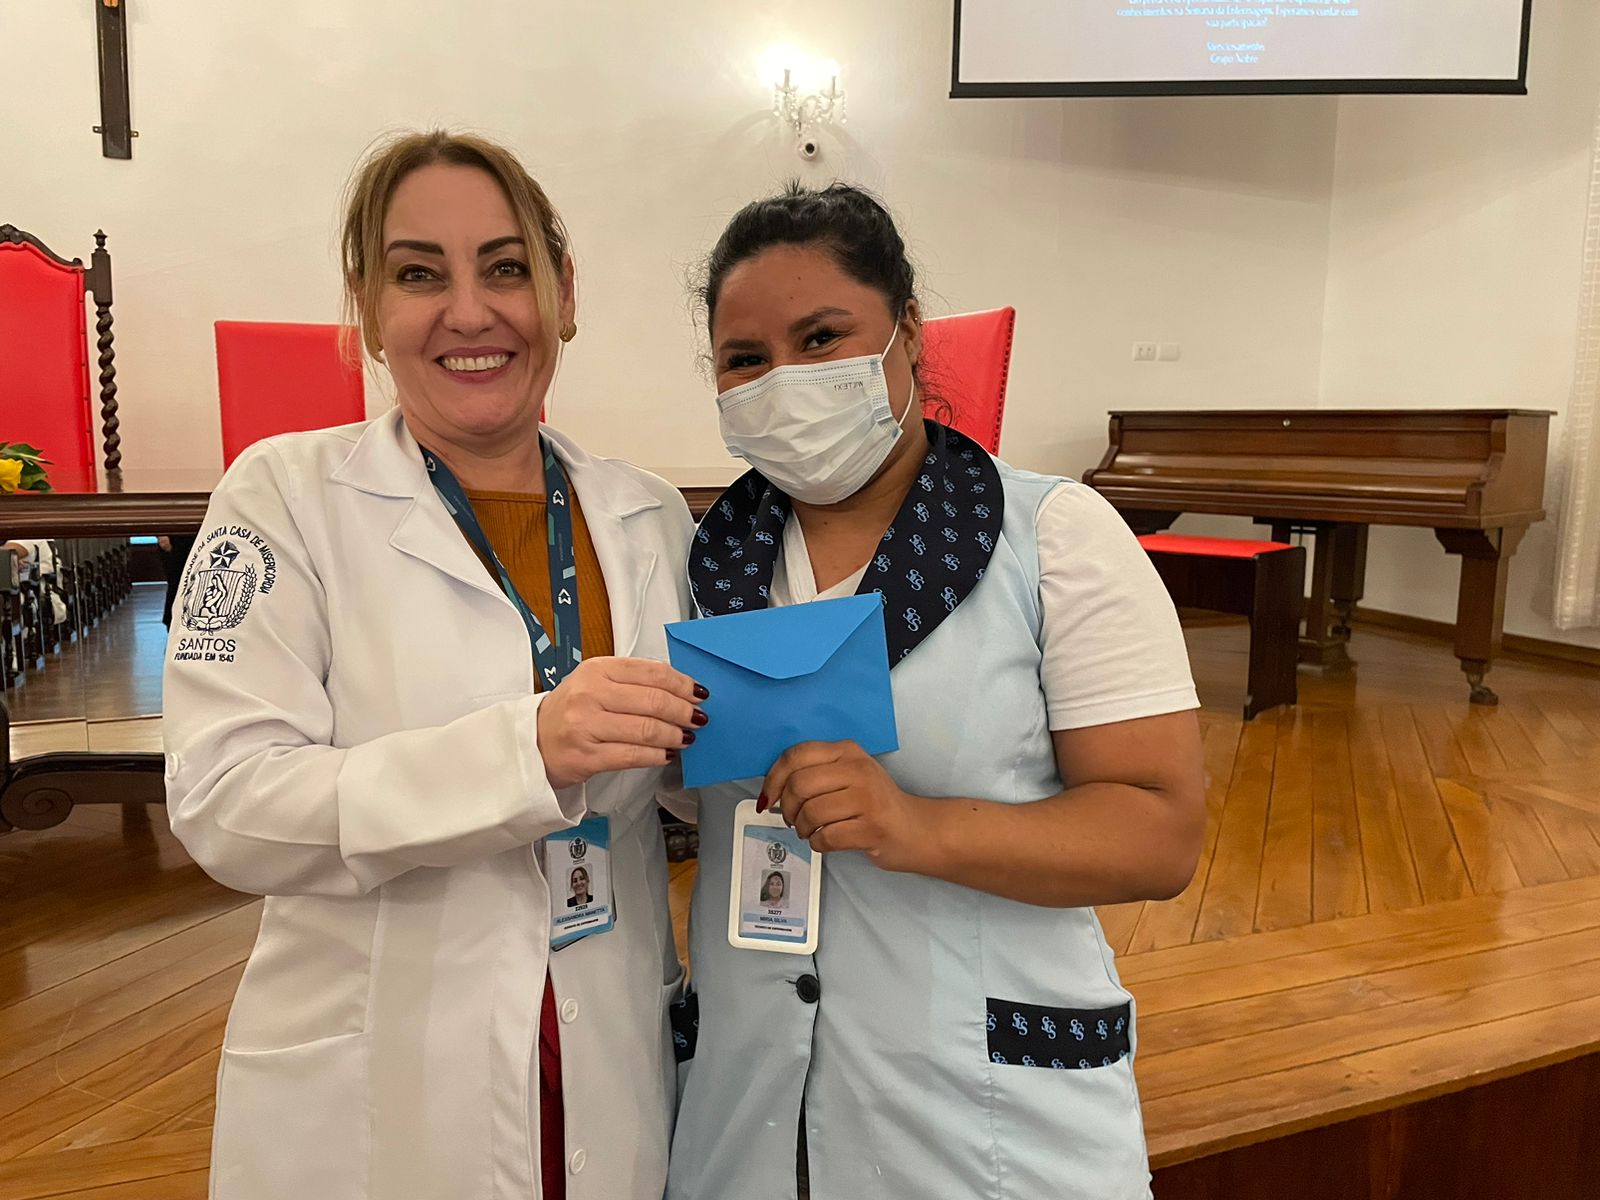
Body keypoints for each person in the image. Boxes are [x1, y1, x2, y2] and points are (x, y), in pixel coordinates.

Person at [164, 130, 703, 1200]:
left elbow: (685, 775)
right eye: (419, 274)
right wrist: (524, 751)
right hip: (386, 1077)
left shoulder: (647, 514)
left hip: (608, 1040)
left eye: (506, 268)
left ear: (563, 294)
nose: (469, 311)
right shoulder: (282, 500)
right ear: (368, 309)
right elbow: (225, 802)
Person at [667, 183, 1206, 1200]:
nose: (785, 380)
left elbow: (1161, 833)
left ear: (907, 331)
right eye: (745, 359)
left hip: (981, 1112)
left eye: (821, 337)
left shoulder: (1053, 539)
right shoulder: (704, 563)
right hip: (750, 1109)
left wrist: (915, 826)